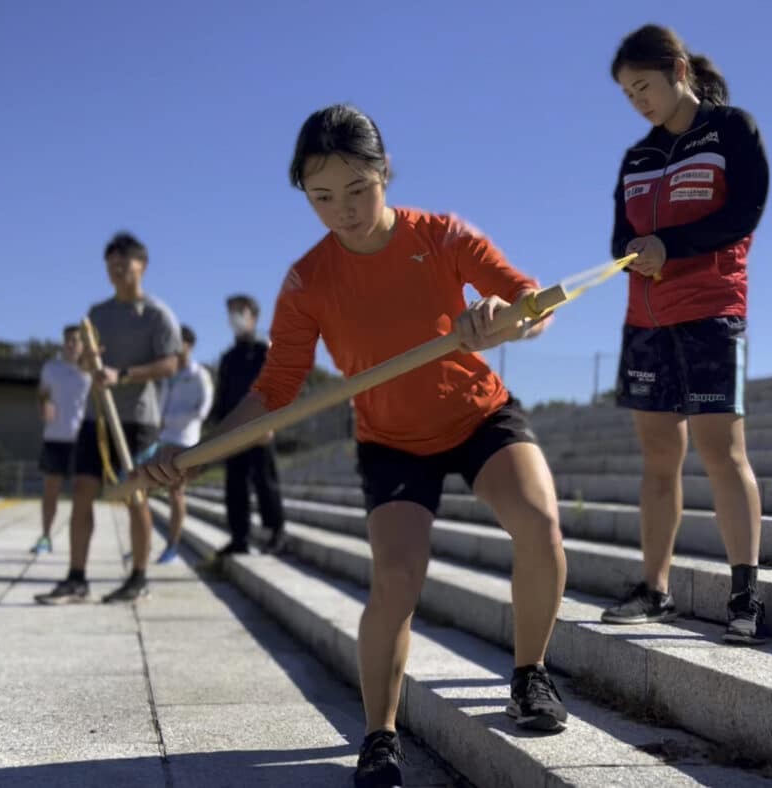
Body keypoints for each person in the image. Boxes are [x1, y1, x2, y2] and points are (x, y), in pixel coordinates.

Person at [134, 104, 570, 788]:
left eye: (358, 190)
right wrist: (191, 454)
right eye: (322, 197)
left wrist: (502, 320)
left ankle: (529, 674)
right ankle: (379, 736)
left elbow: (532, 302)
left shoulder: (443, 235)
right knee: (396, 580)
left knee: (541, 525)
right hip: (391, 440)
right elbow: (275, 389)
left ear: (385, 172)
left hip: (478, 415)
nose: (343, 210)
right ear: (304, 195)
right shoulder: (309, 281)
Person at [599, 24, 771, 645]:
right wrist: (637, 251)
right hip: (645, 322)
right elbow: (620, 238)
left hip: (712, 311)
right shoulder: (637, 157)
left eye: (643, 86)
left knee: (722, 454)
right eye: (627, 94)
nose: (638, 101)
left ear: (677, 70)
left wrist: (670, 245)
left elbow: (743, 213)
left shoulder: (732, 130)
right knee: (657, 461)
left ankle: (745, 590)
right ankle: (655, 590)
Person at [34, 231, 182, 605]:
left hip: (137, 420)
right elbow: (86, 361)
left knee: (136, 495)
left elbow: (170, 363)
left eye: (123, 262)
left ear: (141, 266)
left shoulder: (157, 315)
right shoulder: (97, 314)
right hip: (95, 418)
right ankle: (76, 578)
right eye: (110, 264)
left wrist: (124, 375)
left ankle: (138, 578)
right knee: (82, 491)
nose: (116, 270)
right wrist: (89, 363)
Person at [211, 294, 286, 556]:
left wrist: (272, 423)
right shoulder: (229, 358)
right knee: (235, 485)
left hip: (261, 427)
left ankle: (275, 531)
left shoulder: (266, 351)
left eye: (239, 311)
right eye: (230, 311)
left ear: (253, 316)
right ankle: (239, 537)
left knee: (265, 481)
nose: (234, 316)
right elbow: (223, 397)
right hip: (233, 431)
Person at [156, 324, 213, 563]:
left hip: (186, 441)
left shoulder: (199, 375)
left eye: (178, 342)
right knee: (145, 489)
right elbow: (159, 407)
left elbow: (203, 409)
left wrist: (176, 419)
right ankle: (142, 541)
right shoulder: (168, 375)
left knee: (176, 492)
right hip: (163, 440)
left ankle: (173, 545)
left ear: (188, 345)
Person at [32, 324, 91, 554]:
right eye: (67, 340)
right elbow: (42, 393)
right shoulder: (50, 368)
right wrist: (43, 405)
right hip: (54, 437)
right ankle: (45, 536)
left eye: (75, 340)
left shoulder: (89, 373)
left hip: (80, 439)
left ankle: (77, 542)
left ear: (83, 345)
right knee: (50, 491)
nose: (70, 344)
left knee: (81, 493)